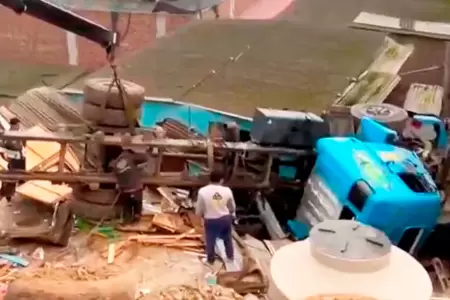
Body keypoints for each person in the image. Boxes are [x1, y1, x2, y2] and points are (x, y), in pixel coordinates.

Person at [196, 168, 236, 265]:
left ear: (210, 178)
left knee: (210, 240)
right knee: (227, 239)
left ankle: (210, 260)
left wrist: (201, 217)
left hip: (211, 220)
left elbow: (199, 210)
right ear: (221, 180)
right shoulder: (227, 190)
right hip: (225, 218)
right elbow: (232, 207)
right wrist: (231, 213)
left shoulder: (202, 191)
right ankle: (230, 258)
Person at [110, 147, 148, 224]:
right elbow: (145, 158)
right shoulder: (132, 157)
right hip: (135, 188)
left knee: (127, 207)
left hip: (125, 190)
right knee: (137, 206)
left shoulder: (120, 160)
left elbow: (114, 168)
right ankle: (136, 219)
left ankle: (127, 220)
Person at [0, 118, 26, 205]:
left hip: (19, 158)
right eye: (18, 125)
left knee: (16, 177)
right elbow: (3, 149)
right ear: (13, 125)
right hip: (13, 159)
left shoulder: (17, 134)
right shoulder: (9, 135)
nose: (19, 126)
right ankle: (5, 194)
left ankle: (9, 194)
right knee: (11, 178)